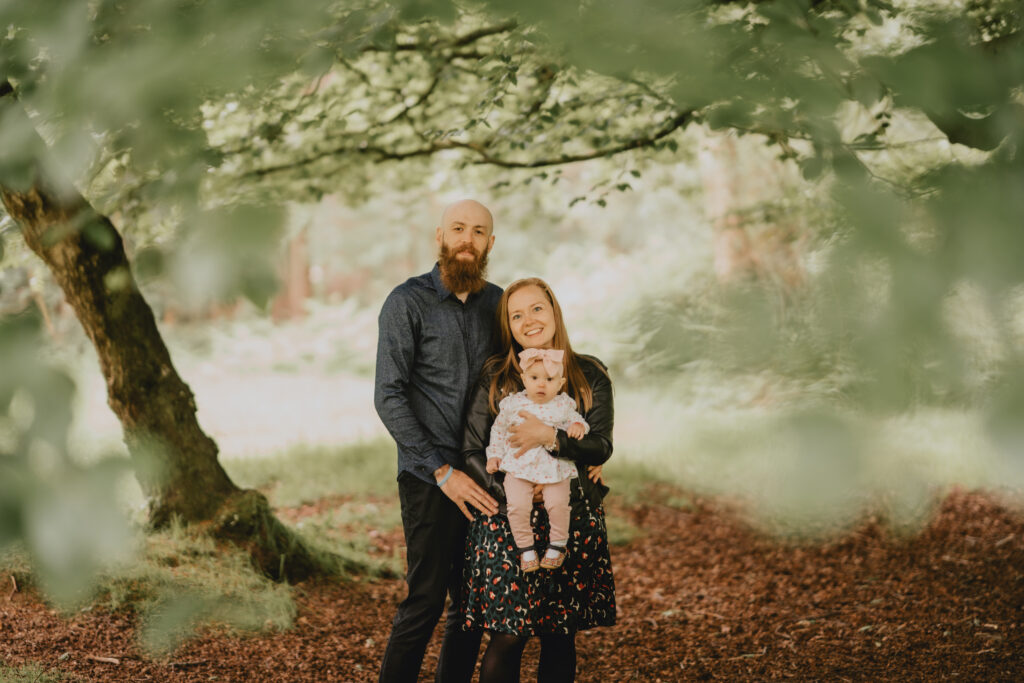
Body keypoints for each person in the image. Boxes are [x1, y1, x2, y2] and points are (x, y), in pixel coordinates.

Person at [461, 277, 616, 683]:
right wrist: (516, 492)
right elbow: (472, 451)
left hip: (572, 515)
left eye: (536, 308)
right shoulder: (497, 377)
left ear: (553, 311)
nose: (528, 319)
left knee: (559, 635)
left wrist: (551, 438)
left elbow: (600, 446)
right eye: (516, 314)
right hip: (508, 519)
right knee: (508, 635)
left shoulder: (589, 374)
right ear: (508, 326)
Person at [373, 199, 503, 683]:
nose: (467, 239)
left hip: (487, 476)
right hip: (429, 477)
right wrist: (440, 470)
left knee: (471, 605)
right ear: (440, 237)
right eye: (458, 229)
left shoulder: (499, 304)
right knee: (425, 599)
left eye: (478, 231)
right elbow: (388, 395)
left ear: (491, 243)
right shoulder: (407, 302)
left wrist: (587, 439)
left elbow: (537, 372)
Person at [485, 347, 589, 573]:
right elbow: (499, 430)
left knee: (558, 504)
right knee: (517, 506)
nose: (541, 384)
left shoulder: (563, 405)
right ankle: (526, 549)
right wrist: (494, 454)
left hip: (554, 467)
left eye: (549, 379)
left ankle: (558, 545)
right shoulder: (513, 404)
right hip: (519, 465)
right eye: (534, 378)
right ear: (524, 379)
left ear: (560, 383)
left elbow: (578, 420)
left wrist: (578, 426)